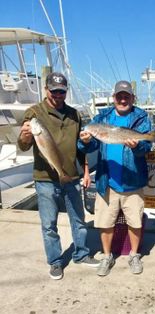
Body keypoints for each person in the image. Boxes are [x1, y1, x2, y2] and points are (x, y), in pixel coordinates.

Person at [18, 72, 99, 280]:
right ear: (46, 90)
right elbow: (24, 145)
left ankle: (81, 253)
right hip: (45, 178)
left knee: (78, 220)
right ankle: (55, 261)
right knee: (49, 224)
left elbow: (81, 147)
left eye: (61, 92)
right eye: (54, 91)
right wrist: (25, 135)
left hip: (71, 177)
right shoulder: (34, 113)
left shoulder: (74, 114)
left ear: (66, 91)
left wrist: (87, 170)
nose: (58, 95)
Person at [78, 80, 152, 276]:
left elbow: (146, 148)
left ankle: (134, 254)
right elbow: (91, 146)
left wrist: (138, 146)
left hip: (133, 181)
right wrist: (85, 141)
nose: (122, 99)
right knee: (105, 222)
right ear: (114, 98)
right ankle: (107, 255)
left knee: (135, 222)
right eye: (119, 96)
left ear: (132, 98)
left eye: (126, 96)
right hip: (106, 181)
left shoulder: (141, 118)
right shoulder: (101, 117)